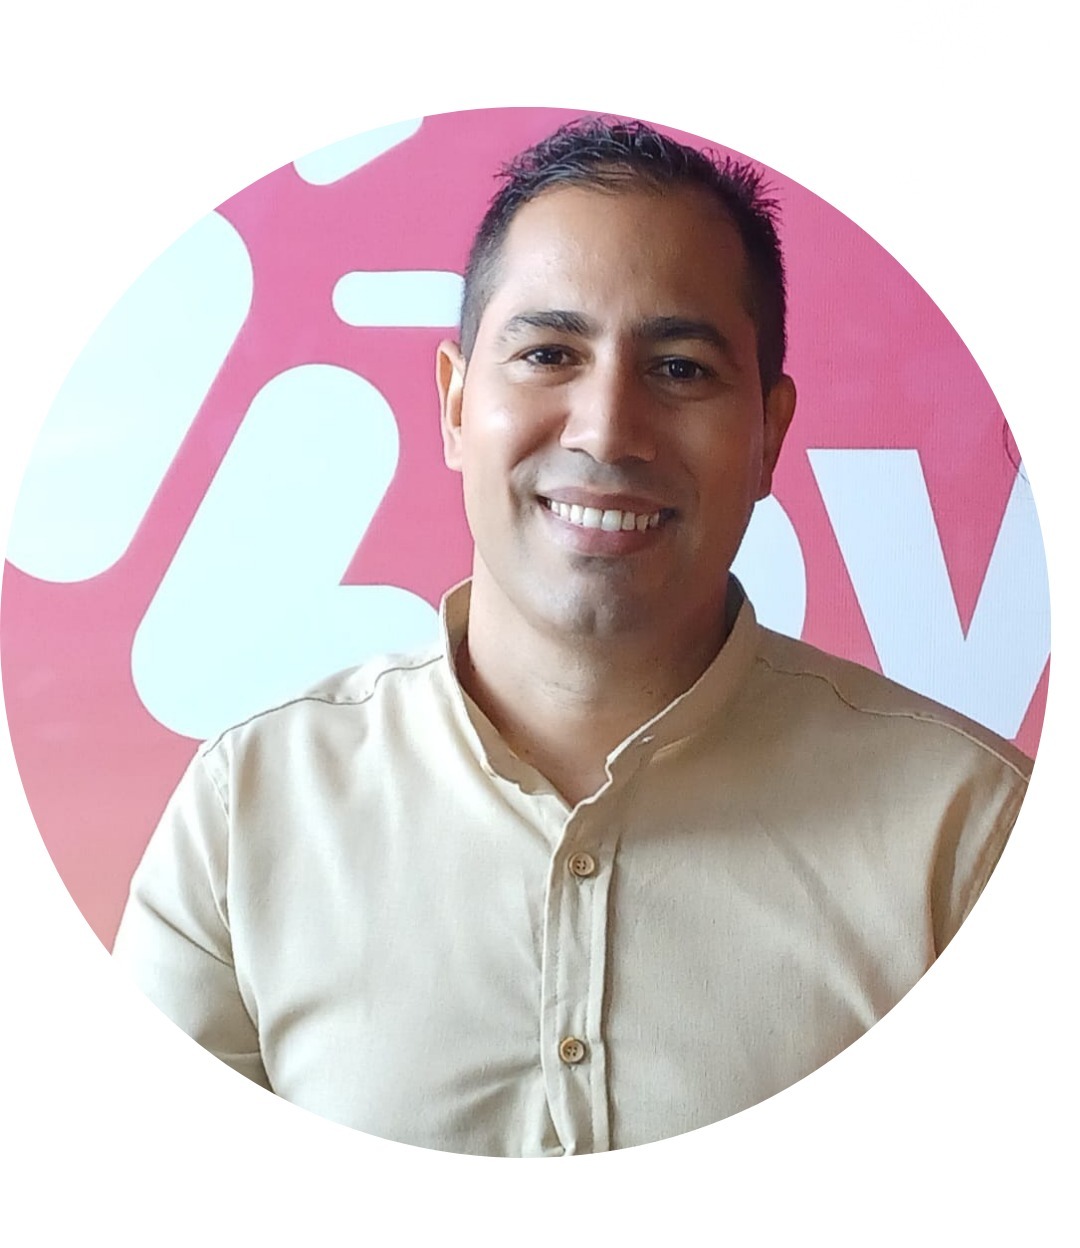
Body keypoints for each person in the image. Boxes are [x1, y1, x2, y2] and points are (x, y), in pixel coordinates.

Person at [113, 118, 1031, 1157]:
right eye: (549, 354)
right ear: (456, 404)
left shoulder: (970, 837)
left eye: (679, 368)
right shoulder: (250, 811)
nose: (605, 429)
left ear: (769, 434)